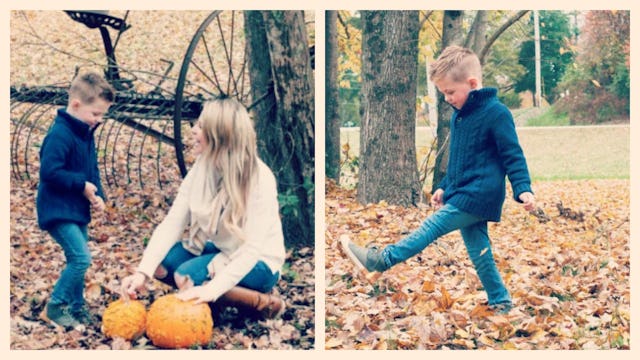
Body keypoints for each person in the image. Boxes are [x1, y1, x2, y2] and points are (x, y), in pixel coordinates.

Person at [341, 45, 535, 314]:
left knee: (430, 227)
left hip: (479, 194)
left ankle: (382, 260)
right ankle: (500, 300)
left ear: (472, 83)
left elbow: (512, 154)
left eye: (450, 92)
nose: (447, 99)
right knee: (480, 251)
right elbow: (458, 160)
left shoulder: (497, 113)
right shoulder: (461, 117)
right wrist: (444, 186)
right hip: (464, 192)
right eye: (444, 93)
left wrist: (523, 188)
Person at [121, 98, 286, 319]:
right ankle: (213, 297)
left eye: (200, 126)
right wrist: (143, 273)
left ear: (220, 135)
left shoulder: (259, 178)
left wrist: (211, 290)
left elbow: (252, 250)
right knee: (160, 265)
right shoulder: (202, 167)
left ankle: (262, 303)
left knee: (186, 276)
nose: (193, 131)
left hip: (259, 264)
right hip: (224, 251)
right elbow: (172, 223)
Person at [37, 71, 114, 329]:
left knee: (77, 260)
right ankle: (57, 306)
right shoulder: (60, 134)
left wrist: (98, 194)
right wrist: (80, 185)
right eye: (96, 114)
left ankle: (77, 306)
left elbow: (92, 170)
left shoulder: (85, 133)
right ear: (76, 105)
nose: (98, 120)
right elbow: (49, 171)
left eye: (102, 114)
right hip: (58, 210)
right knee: (81, 258)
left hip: (76, 209)